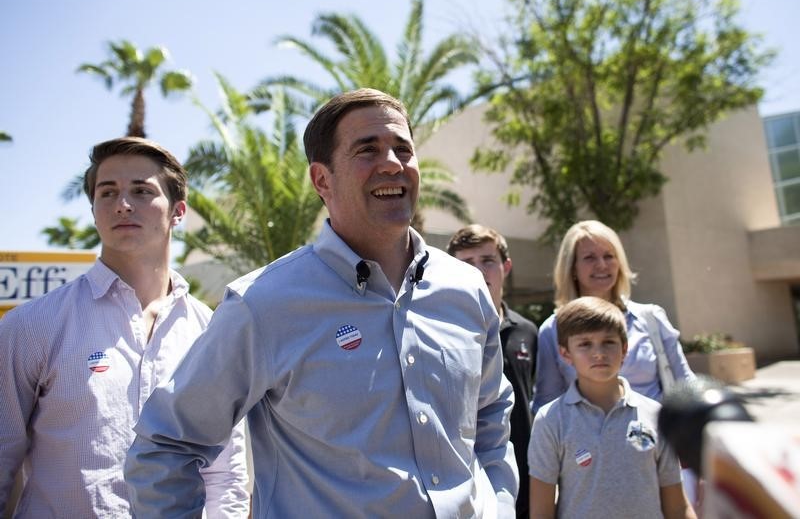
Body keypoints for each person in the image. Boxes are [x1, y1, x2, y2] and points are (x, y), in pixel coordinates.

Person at [124, 88, 518, 517]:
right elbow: (164, 446)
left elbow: (491, 416)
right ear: (322, 180)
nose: (392, 163)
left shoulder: (466, 289)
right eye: (367, 150)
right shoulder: (263, 305)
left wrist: (498, 505)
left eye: (402, 149)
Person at [0, 137, 249, 516]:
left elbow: (226, 472)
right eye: (108, 192)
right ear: (94, 209)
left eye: (141, 191)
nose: (123, 204)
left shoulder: (211, 332)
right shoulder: (31, 327)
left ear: (178, 211)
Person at [528, 296, 696, 518]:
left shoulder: (655, 415)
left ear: (625, 348)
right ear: (565, 353)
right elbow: (541, 512)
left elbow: (677, 506)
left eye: (608, 342)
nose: (599, 353)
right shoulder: (550, 420)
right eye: (585, 344)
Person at [533, 220, 695, 413]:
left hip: (657, 438)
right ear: (572, 267)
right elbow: (546, 403)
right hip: (586, 440)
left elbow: (686, 386)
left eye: (609, 256)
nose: (601, 265)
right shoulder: (553, 329)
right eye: (590, 257)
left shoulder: (651, 318)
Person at [447, 224, 537, 519]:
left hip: (530, 476)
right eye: (467, 263)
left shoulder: (528, 332)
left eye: (487, 261)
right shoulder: (443, 334)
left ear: (506, 266)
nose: (479, 271)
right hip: (472, 481)